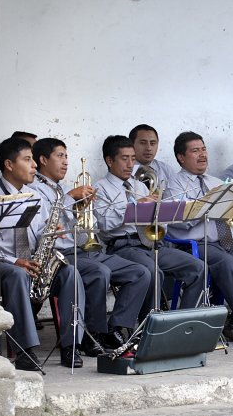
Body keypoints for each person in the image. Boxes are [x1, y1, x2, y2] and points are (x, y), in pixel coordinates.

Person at [30, 138, 150, 353]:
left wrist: (84, 210)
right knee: (99, 272)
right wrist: (69, 199)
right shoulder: (35, 190)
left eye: (67, 156)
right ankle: (92, 335)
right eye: (60, 156)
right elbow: (45, 223)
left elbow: (86, 224)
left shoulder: (66, 187)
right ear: (43, 160)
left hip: (86, 250)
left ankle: (116, 327)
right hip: (59, 256)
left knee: (140, 272)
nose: (66, 162)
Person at [168, 131, 233, 341]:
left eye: (204, 149)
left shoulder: (215, 181)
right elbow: (180, 219)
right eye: (195, 151)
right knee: (226, 262)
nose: (202, 155)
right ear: (181, 157)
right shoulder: (175, 185)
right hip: (197, 244)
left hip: (227, 240)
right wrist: (208, 206)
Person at [0, 137, 85, 370]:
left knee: (70, 273)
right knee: (16, 274)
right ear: (9, 164)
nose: (34, 165)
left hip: (31, 262)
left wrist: (53, 234)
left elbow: (43, 230)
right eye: (27, 159)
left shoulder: (34, 196)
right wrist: (16, 261)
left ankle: (70, 345)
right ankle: (26, 350)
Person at [94, 135, 206, 322]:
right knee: (154, 272)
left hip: (151, 244)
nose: (130, 164)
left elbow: (160, 223)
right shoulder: (100, 188)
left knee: (197, 267)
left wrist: (161, 211)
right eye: (124, 158)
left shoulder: (140, 186)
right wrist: (136, 207)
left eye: (132, 158)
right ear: (109, 160)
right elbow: (104, 223)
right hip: (123, 246)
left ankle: (185, 321)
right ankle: (148, 325)